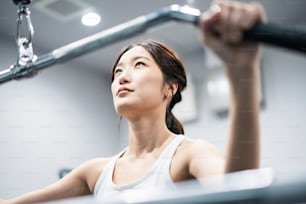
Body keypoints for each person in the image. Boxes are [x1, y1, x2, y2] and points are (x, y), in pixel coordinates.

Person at [0, 0, 266, 203]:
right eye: (117, 72)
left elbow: (241, 189)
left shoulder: (189, 155)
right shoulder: (95, 171)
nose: (123, 77)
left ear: (170, 87)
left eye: (139, 64)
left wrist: (243, 72)